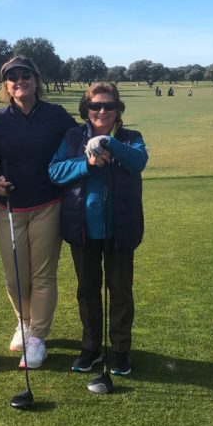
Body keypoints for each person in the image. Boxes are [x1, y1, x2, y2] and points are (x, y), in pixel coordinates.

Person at [0, 56, 74, 369]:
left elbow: (76, 141)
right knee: (15, 276)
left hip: (48, 204)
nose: (20, 81)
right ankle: (24, 321)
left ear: (36, 80)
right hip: (9, 207)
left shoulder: (56, 115)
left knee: (42, 274)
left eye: (25, 76)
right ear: (6, 85)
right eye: (12, 77)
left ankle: (37, 338)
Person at [49, 82, 148, 377]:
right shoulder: (72, 136)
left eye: (108, 106)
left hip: (120, 229)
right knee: (87, 291)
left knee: (120, 292)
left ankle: (120, 351)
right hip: (82, 228)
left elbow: (138, 162)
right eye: (95, 106)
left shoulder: (131, 138)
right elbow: (55, 171)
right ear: (86, 110)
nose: (102, 111)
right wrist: (87, 163)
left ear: (118, 110)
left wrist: (108, 143)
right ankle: (90, 349)